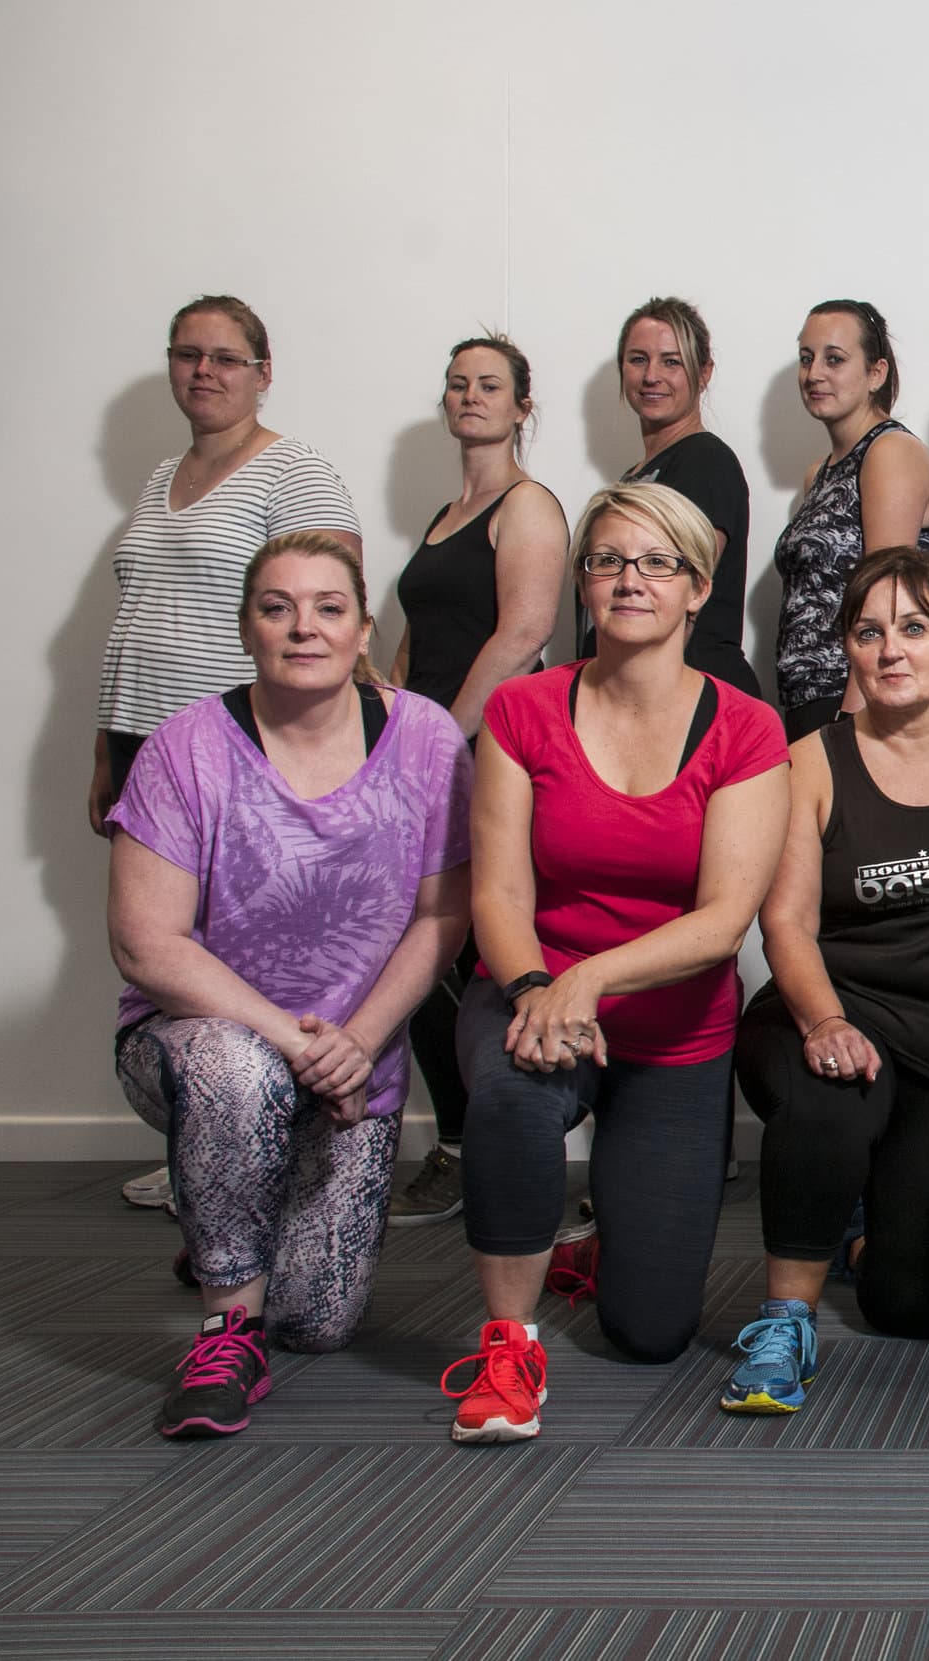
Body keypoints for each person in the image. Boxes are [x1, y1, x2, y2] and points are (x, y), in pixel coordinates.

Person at [443, 483, 788, 1443]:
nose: (630, 580)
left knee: (651, 1333)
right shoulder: (521, 709)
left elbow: (722, 922)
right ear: (584, 583)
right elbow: (498, 894)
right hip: (529, 988)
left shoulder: (745, 726)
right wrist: (537, 987)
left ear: (698, 587)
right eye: (607, 561)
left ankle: (604, 1249)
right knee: (512, 1101)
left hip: (672, 1031)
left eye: (657, 563)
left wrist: (591, 978)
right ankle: (508, 1344)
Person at [107, 532, 471, 1436]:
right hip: (204, 1049)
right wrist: (290, 1038)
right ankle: (225, 1327)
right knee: (240, 1075)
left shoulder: (426, 738)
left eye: (328, 607)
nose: (303, 626)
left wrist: (359, 1042)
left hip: (352, 1067)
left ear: (363, 629)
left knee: (315, 1322)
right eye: (277, 608)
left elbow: (443, 915)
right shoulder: (185, 748)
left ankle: (226, 1221)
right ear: (247, 629)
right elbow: (145, 943)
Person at [723, 549, 929, 1412]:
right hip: (829, 1010)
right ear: (848, 650)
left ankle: (862, 1237)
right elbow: (786, 923)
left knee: (915, 1309)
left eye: (914, 626)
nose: (891, 649)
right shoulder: (812, 761)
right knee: (835, 1095)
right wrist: (823, 1021)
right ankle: (785, 1321)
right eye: (868, 633)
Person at [97, 294, 364, 1216]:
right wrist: (106, 745)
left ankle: (239, 1145)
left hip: (242, 753)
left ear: (263, 372)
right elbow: (139, 613)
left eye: (225, 357)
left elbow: (332, 606)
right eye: (187, 354)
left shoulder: (294, 470)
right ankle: (208, 1139)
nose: (203, 371)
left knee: (250, 948)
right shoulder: (162, 475)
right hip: (146, 748)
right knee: (166, 953)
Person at [387, 335, 569, 1227]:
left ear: (522, 405)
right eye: (458, 383)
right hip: (418, 748)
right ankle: (460, 1141)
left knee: (461, 947)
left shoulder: (527, 506)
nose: (470, 396)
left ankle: (480, 1147)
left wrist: (437, 737)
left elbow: (522, 634)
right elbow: (414, 637)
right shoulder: (445, 513)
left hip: (475, 748)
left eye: (490, 384)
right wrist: (384, 722)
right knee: (413, 943)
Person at [771, 300, 929, 741]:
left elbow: (883, 597)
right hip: (805, 696)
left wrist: (852, 720)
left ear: (876, 373)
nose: (814, 373)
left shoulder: (889, 452)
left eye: (834, 359)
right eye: (806, 358)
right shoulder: (820, 473)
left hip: (854, 697)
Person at [598, 297, 760, 698]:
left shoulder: (706, 461)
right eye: (638, 359)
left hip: (688, 692)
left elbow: (678, 590)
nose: (652, 376)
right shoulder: (632, 479)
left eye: (671, 362)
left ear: (703, 373)